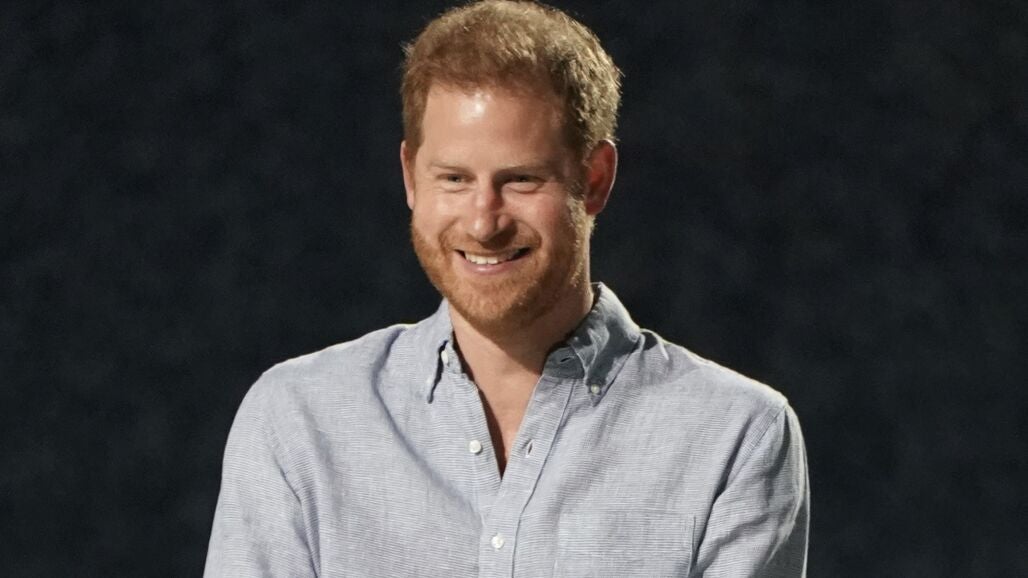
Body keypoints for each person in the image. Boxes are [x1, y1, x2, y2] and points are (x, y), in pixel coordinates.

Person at [204, 1, 809, 576]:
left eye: (521, 180)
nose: (482, 222)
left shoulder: (734, 435)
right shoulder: (299, 418)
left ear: (595, 179)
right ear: (411, 177)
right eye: (453, 179)